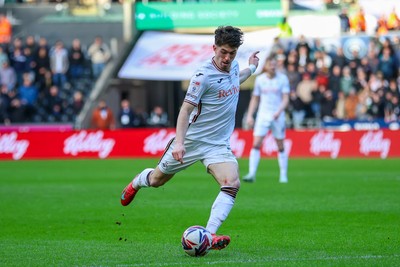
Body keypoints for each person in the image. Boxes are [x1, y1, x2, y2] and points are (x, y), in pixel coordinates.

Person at [120, 26, 260, 251]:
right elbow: (185, 111)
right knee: (157, 180)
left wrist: (251, 67)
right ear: (214, 48)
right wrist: (180, 143)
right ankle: (138, 181)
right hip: (192, 141)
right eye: (223, 52)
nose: (227, 58)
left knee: (232, 182)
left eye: (232, 53)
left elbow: (237, 78)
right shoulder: (202, 76)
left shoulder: (233, 66)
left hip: (217, 145)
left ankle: (209, 235)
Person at [242, 56, 289, 183]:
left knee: (280, 145)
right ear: (266, 66)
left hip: (277, 115)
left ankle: (283, 175)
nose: (273, 66)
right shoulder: (260, 80)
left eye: (274, 64)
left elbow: (285, 98)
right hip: (263, 115)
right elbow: (255, 98)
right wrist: (250, 115)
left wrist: (279, 111)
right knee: (256, 144)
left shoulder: (282, 79)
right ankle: (252, 173)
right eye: (270, 64)